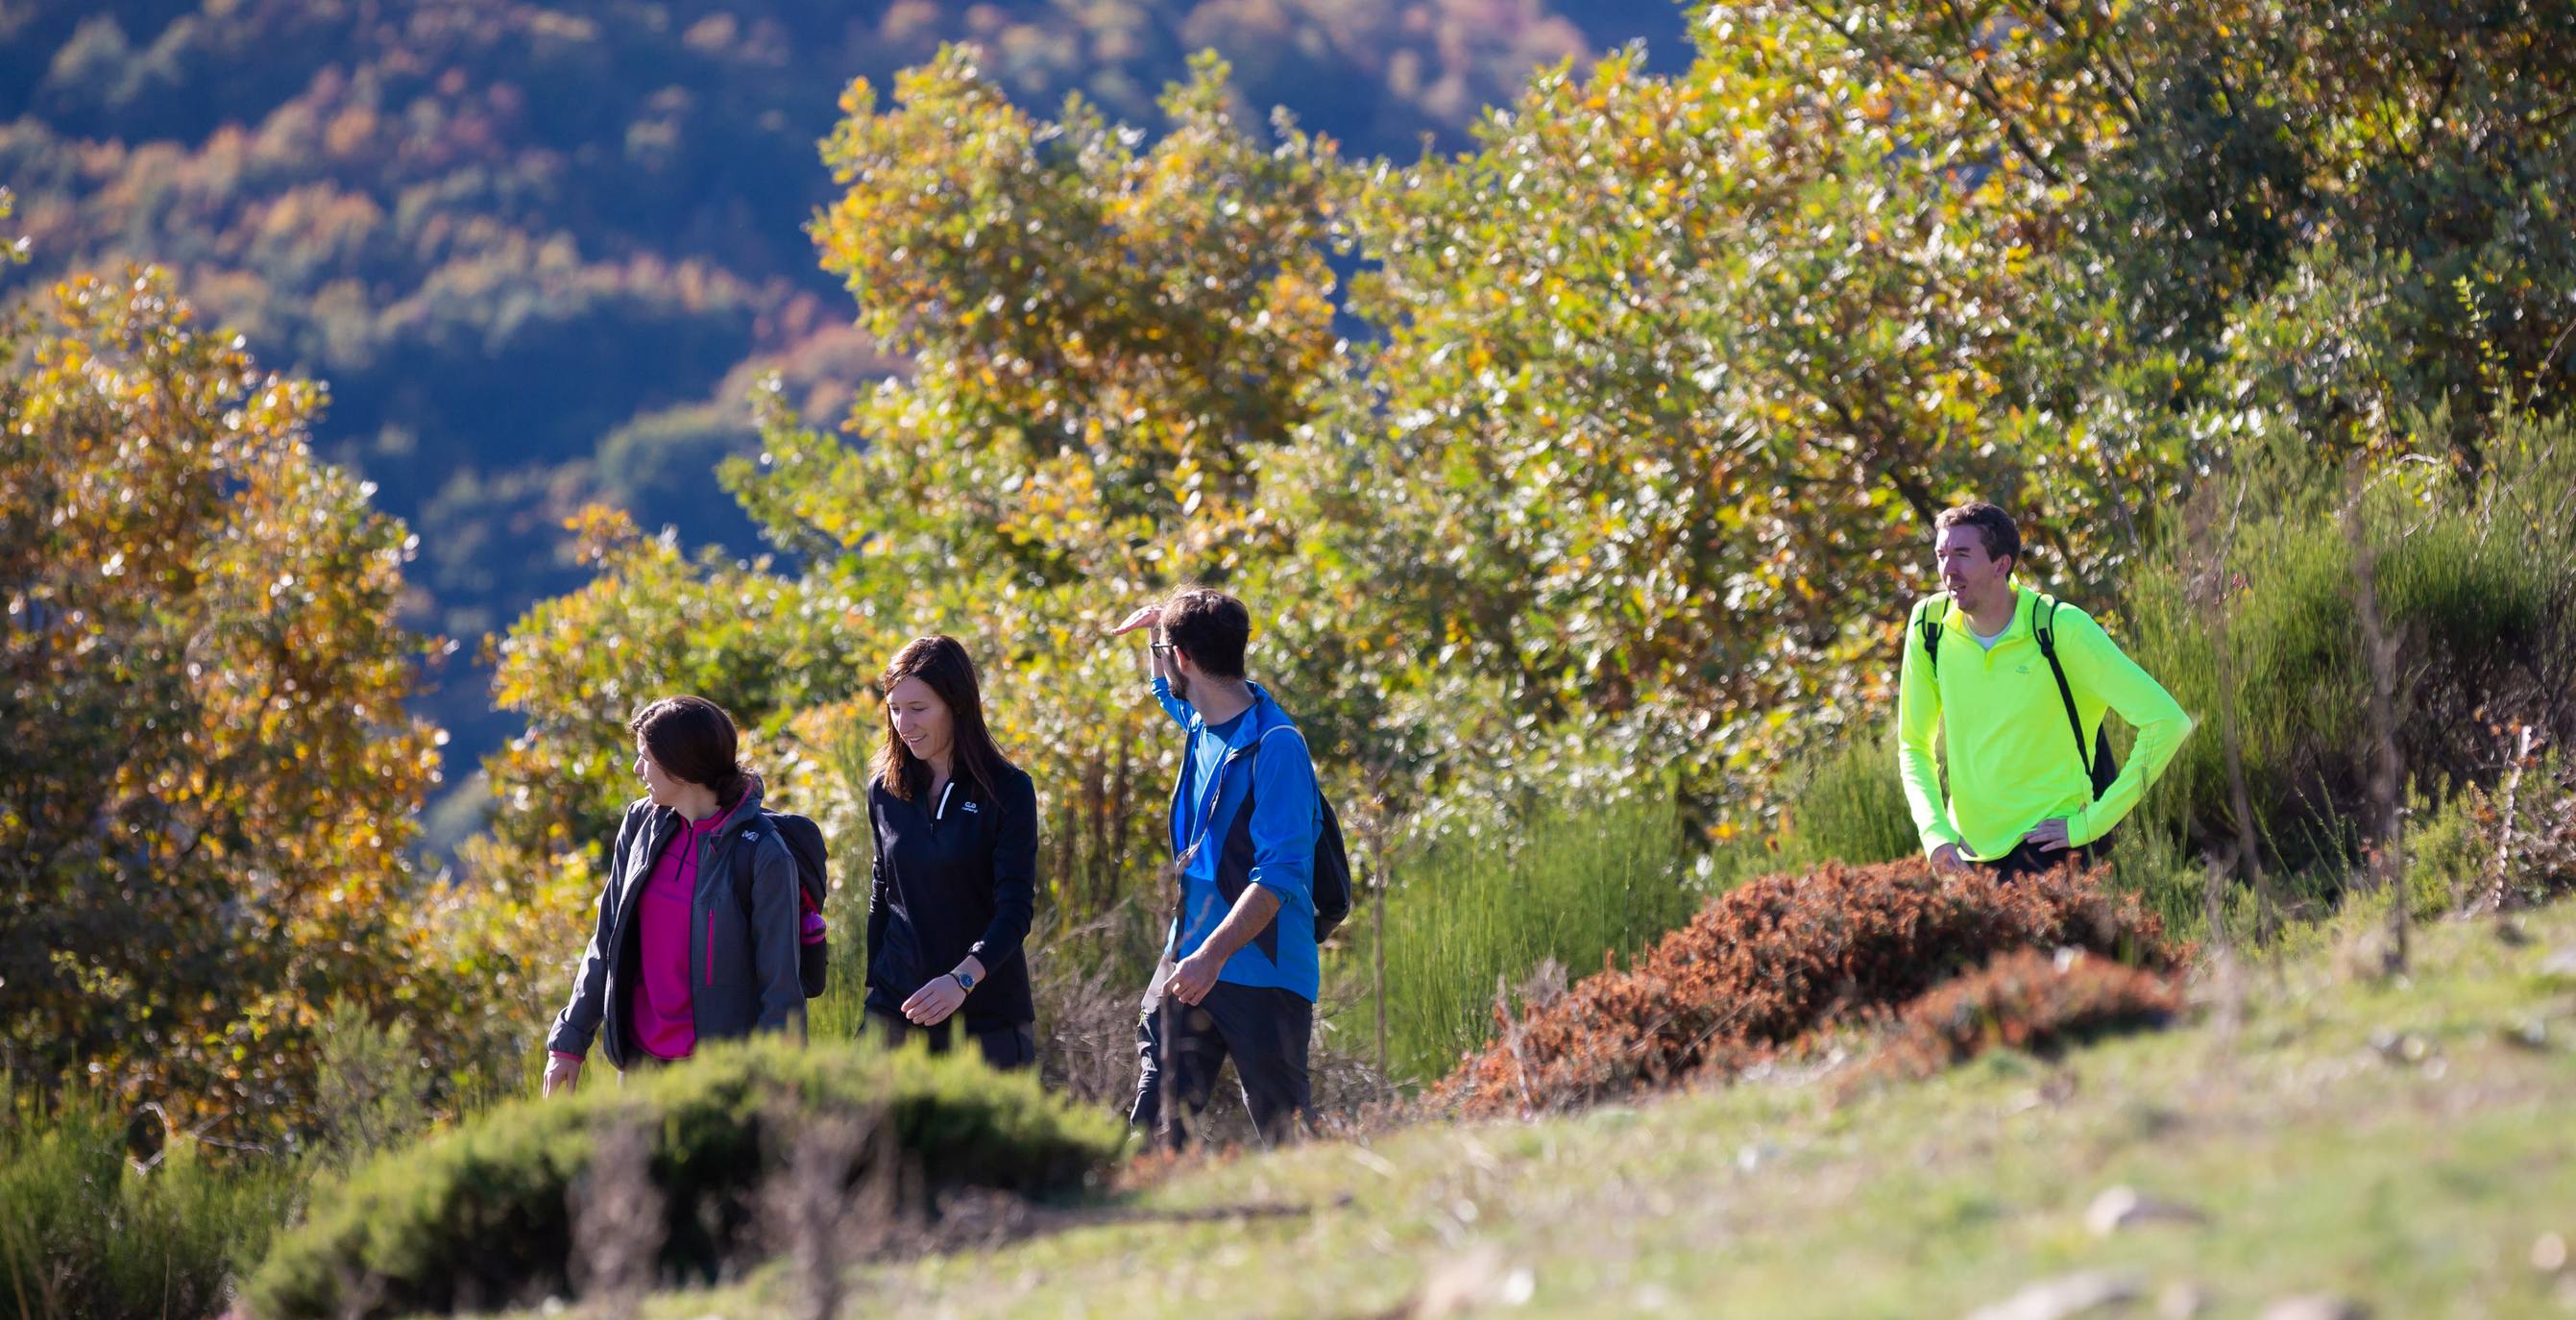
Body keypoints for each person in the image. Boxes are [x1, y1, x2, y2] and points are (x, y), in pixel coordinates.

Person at [1108, 587, 1321, 1148]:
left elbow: (1279, 875)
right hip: (1190, 961)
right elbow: (1168, 692)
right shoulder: (1203, 718)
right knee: (1155, 1127)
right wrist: (1160, 632)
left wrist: (1212, 957)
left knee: (1287, 1133)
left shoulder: (1277, 746)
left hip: (1262, 972)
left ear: (1185, 659)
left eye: (1166, 651)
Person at [1897, 501, 2195, 881]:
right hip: (1967, 854)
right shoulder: (1929, 627)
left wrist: (2092, 824)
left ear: (2001, 565)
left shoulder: (2062, 629)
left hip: (2052, 849)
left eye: (1962, 555)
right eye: (1941, 555)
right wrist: (1934, 834)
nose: (1947, 570)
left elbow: (2168, 722)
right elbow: (1914, 746)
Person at [544, 697, 807, 1094]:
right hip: (640, 1069)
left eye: (645, 758)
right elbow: (607, 939)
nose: (637, 769)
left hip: (721, 1078)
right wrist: (568, 1043)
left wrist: (776, 1087)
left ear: (681, 767)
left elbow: (780, 986)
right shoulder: (640, 826)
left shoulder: (762, 854)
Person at [862, 635, 1041, 1070]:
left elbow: (1015, 911)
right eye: (895, 708)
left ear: (957, 704)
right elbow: (883, 893)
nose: (904, 723)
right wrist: (874, 988)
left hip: (986, 1017)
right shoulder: (884, 791)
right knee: (875, 1139)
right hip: (896, 1010)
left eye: (918, 708)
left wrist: (963, 978)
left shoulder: (1008, 790)